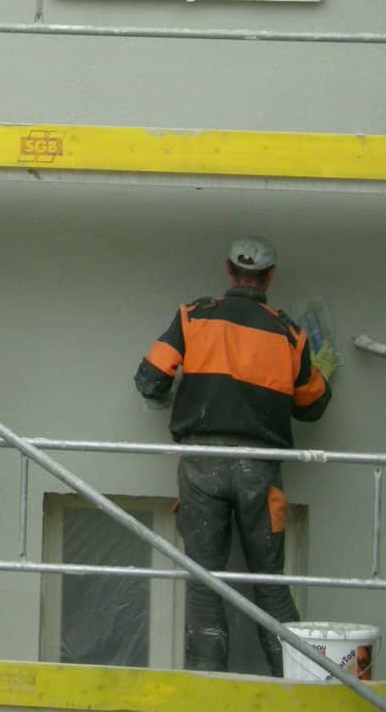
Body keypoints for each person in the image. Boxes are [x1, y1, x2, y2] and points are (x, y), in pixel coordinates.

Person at [135, 235, 336, 676]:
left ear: (229, 271)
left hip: (201, 464)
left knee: (205, 584)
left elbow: (150, 378)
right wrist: (322, 366)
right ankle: (298, 685)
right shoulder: (289, 334)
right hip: (259, 473)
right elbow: (313, 406)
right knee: (271, 587)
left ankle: (208, 696)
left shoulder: (194, 316)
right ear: (270, 278)